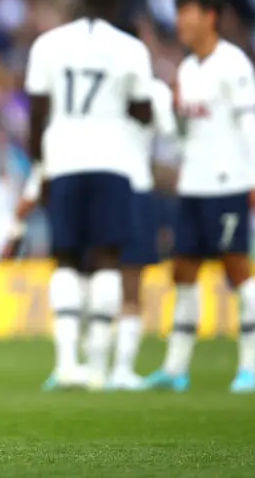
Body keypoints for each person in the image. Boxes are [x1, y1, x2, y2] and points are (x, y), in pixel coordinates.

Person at [21, 0, 154, 391]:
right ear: (117, 6)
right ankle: (99, 368)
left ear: (79, 3)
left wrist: (41, 166)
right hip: (112, 162)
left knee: (65, 258)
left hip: (63, 160)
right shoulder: (131, 48)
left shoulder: (49, 44)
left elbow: (37, 113)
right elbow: (144, 111)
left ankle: (66, 365)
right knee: (106, 259)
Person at [145, 0, 255, 394]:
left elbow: (249, 124)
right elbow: (185, 135)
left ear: (210, 17)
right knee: (182, 271)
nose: (181, 22)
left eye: (188, 13)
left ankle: (249, 368)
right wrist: (173, 113)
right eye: (179, 14)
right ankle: (176, 368)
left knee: (237, 270)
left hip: (228, 182)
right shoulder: (186, 69)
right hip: (193, 183)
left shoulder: (233, 63)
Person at [107, 77, 177, 390]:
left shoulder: (99, 80)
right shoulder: (154, 89)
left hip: (107, 186)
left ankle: (98, 366)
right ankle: (117, 368)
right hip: (133, 186)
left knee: (101, 278)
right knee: (125, 284)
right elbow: (169, 136)